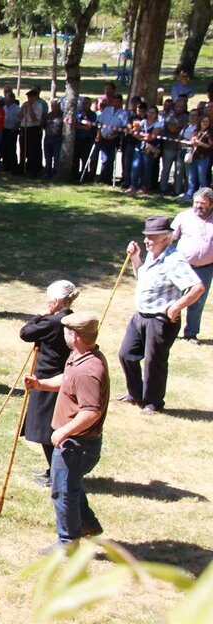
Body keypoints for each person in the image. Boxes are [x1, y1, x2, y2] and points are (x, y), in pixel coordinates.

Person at [24, 311, 109, 554]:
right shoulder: (80, 357)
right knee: (70, 485)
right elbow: (67, 379)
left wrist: (64, 432)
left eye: (66, 331)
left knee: (62, 491)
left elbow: (91, 412)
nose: (64, 335)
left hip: (77, 444)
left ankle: (67, 544)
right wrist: (41, 384)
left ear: (76, 336)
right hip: (75, 441)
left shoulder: (88, 371)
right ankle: (87, 524)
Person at [118, 216, 205, 413]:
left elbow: (197, 287)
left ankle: (153, 403)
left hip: (160, 320)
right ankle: (135, 394)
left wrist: (175, 308)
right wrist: (135, 258)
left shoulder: (174, 260)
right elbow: (143, 277)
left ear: (165, 238)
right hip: (140, 315)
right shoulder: (152, 254)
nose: (146, 240)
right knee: (126, 354)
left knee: (153, 361)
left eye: (151, 237)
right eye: (146, 236)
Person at [20, 281, 78, 487]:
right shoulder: (70, 319)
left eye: (49, 299)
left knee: (47, 431)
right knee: (49, 429)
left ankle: (58, 476)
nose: (46, 302)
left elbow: (25, 333)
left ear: (57, 301)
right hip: (61, 377)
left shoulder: (53, 322)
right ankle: (53, 470)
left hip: (47, 380)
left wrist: (39, 315)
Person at [171, 189, 213, 342]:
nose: (198, 206)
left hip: (206, 268)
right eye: (196, 203)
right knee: (174, 297)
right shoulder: (183, 217)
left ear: (211, 204)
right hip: (182, 266)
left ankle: (191, 334)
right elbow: (170, 238)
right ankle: (169, 330)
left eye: (202, 203)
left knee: (198, 301)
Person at [96, 94, 127, 185]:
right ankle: (102, 178)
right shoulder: (107, 110)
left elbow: (123, 127)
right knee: (104, 158)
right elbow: (100, 123)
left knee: (111, 159)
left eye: (118, 102)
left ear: (121, 102)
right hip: (104, 137)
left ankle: (108, 179)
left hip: (114, 139)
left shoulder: (123, 113)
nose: (116, 103)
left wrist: (115, 133)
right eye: (114, 101)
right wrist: (98, 135)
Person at [129, 106, 161, 194]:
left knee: (147, 168)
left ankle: (144, 186)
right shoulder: (143, 122)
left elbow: (152, 137)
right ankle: (133, 185)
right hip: (139, 147)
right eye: (149, 112)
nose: (150, 114)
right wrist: (143, 136)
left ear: (156, 114)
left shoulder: (158, 124)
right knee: (135, 166)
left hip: (150, 149)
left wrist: (140, 136)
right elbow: (134, 133)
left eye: (153, 112)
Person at [160, 98, 188, 196]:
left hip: (181, 148)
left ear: (185, 108)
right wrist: (180, 127)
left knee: (179, 171)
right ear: (174, 106)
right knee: (166, 169)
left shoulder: (187, 116)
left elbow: (182, 127)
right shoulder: (169, 114)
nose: (179, 108)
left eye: (182, 107)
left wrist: (178, 127)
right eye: (177, 106)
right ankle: (163, 188)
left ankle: (177, 190)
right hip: (169, 147)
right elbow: (172, 128)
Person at [19, 89, 46, 178]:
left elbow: (35, 119)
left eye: (31, 97)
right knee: (23, 149)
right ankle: (22, 168)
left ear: (35, 97)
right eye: (28, 97)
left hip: (33, 129)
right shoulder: (25, 105)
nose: (29, 99)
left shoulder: (39, 106)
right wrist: (23, 108)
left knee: (33, 150)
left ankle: (34, 170)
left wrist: (30, 108)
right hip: (24, 128)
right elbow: (19, 117)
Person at [185, 114, 212, 198]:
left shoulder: (210, 132)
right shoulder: (196, 131)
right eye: (204, 121)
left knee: (202, 178)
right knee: (191, 177)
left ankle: (203, 196)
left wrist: (201, 144)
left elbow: (211, 146)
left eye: (207, 121)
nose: (205, 123)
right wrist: (192, 142)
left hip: (203, 157)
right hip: (193, 156)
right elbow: (191, 142)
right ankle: (189, 194)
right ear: (200, 122)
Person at [74, 96, 98, 182]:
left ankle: (84, 176)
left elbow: (88, 127)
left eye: (87, 103)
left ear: (90, 105)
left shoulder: (92, 115)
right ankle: (75, 175)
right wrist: (81, 127)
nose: (85, 105)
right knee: (75, 158)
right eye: (84, 103)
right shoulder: (77, 113)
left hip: (86, 139)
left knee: (85, 159)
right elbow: (74, 126)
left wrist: (85, 117)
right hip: (77, 138)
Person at [43, 99, 63, 179]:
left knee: (56, 157)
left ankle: (55, 173)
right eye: (52, 106)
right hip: (48, 138)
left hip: (57, 139)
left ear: (58, 106)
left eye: (55, 106)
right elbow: (43, 125)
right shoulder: (48, 115)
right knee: (48, 157)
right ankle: (47, 173)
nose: (53, 108)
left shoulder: (62, 116)